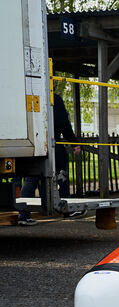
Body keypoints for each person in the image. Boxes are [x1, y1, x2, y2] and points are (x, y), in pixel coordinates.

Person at [18, 92, 82, 225]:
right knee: (61, 176)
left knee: (30, 179)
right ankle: (66, 209)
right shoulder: (54, 99)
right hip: (52, 144)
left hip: (32, 143)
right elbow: (63, 123)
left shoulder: (27, 96)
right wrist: (74, 143)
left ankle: (23, 215)